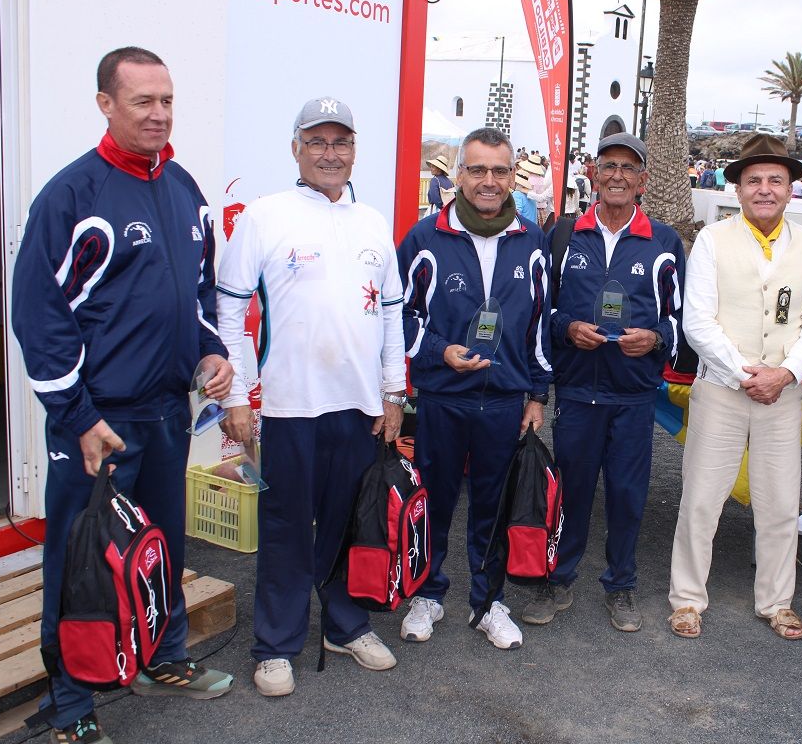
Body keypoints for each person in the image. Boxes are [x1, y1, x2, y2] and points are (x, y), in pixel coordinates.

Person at [11, 46, 235, 743]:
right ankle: (72, 704)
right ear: (106, 104)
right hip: (98, 425)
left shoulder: (183, 188)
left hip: (169, 412)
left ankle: (165, 655)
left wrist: (211, 350)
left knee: (161, 544)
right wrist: (77, 416)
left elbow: (197, 294)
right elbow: (37, 314)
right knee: (81, 564)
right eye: (143, 101)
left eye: (167, 100)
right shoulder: (73, 195)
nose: (160, 114)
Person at [216, 97, 406, 697]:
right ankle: (275, 644)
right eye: (317, 141)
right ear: (295, 147)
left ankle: (345, 626)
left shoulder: (373, 222)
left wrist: (393, 389)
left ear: (355, 151)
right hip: (288, 406)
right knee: (286, 525)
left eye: (340, 142)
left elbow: (393, 313)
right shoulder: (267, 216)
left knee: (350, 522)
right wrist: (238, 398)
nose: (330, 153)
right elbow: (228, 306)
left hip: (357, 406)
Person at [667, 134, 802, 640]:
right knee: (701, 499)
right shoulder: (715, 240)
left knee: (780, 503)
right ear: (737, 189)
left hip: (782, 395)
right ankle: (688, 599)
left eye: (775, 180)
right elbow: (697, 320)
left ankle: (777, 601)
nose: (764, 189)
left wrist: (784, 374)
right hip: (721, 389)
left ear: (790, 189)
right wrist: (744, 373)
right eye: (754, 180)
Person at [396, 127, 552, 650]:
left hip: (505, 399)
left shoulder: (532, 241)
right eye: (478, 170)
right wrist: (441, 350)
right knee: (435, 500)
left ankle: (488, 602)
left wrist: (536, 394)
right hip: (443, 396)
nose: (489, 181)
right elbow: (399, 317)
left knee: (493, 505)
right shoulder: (424, 238)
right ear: (459, 174)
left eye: (500, 171)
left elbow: (539, 326)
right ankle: (428, 593)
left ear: (513, 177)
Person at [524, 133, 685, 632]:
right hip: (577, 391)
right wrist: (567, 328)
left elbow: (682, 321)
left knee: (627, 493)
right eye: (608, 165)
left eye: (628, 168)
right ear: (592, 173)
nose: (617, 175)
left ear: (643, 180)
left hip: (633, 396)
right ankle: (560, 577)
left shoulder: (665, 241)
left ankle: (621, 585)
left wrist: (655, 338)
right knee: (571, 491)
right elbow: (537, 311)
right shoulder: (563, 235)